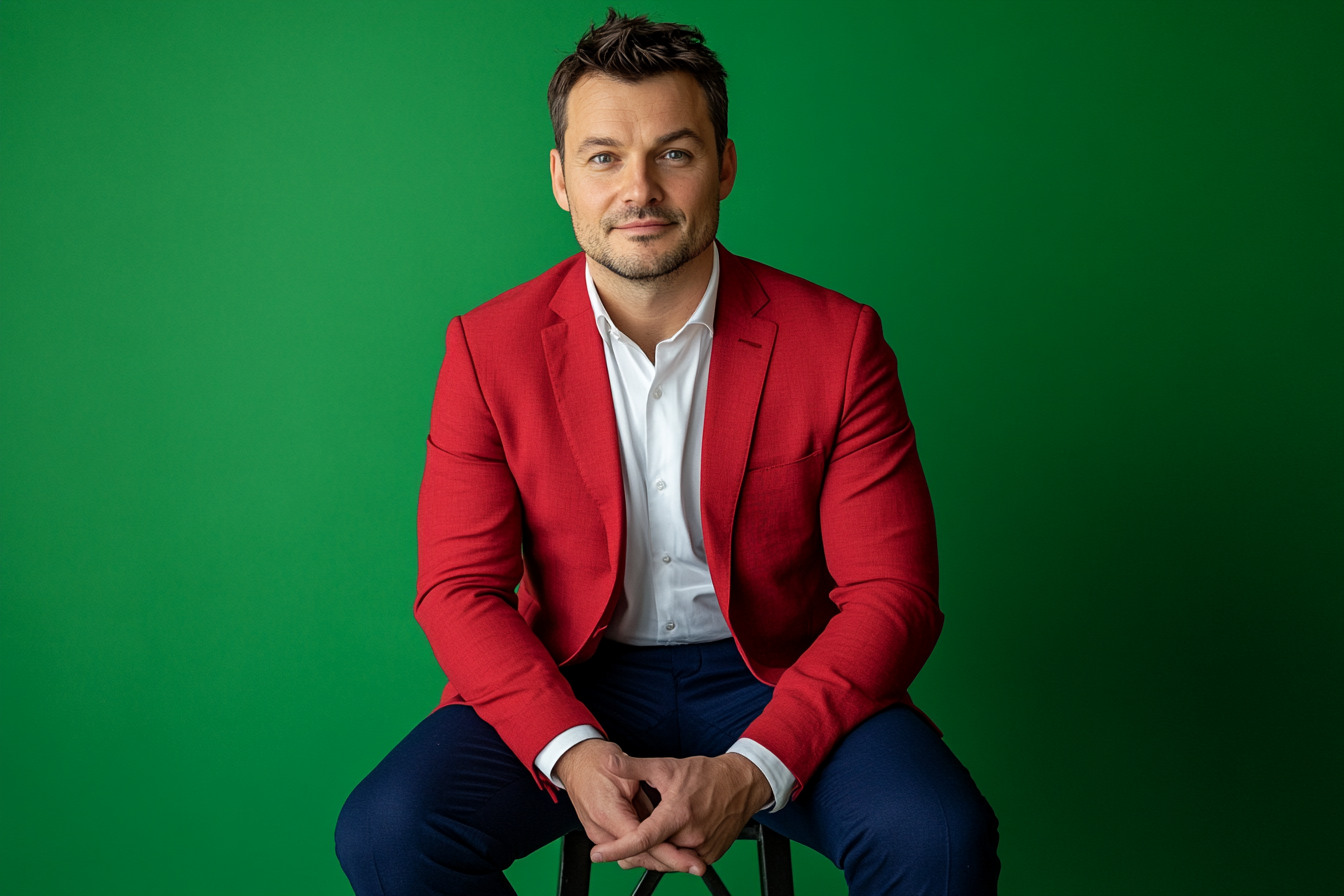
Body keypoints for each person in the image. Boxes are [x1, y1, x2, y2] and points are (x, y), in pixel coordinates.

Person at [336, 10, 999, 894]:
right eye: (604, 156)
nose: (638, 189)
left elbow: (894, 595)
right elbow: (459, 590)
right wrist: (572, 754)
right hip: (580, 673)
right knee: (390, 831)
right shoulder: (486, 350)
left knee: (939, 837)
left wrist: (755, 767)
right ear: (561, 178)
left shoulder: (837, 343)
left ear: (724, 166)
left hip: (779, 676)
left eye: (674, 153)